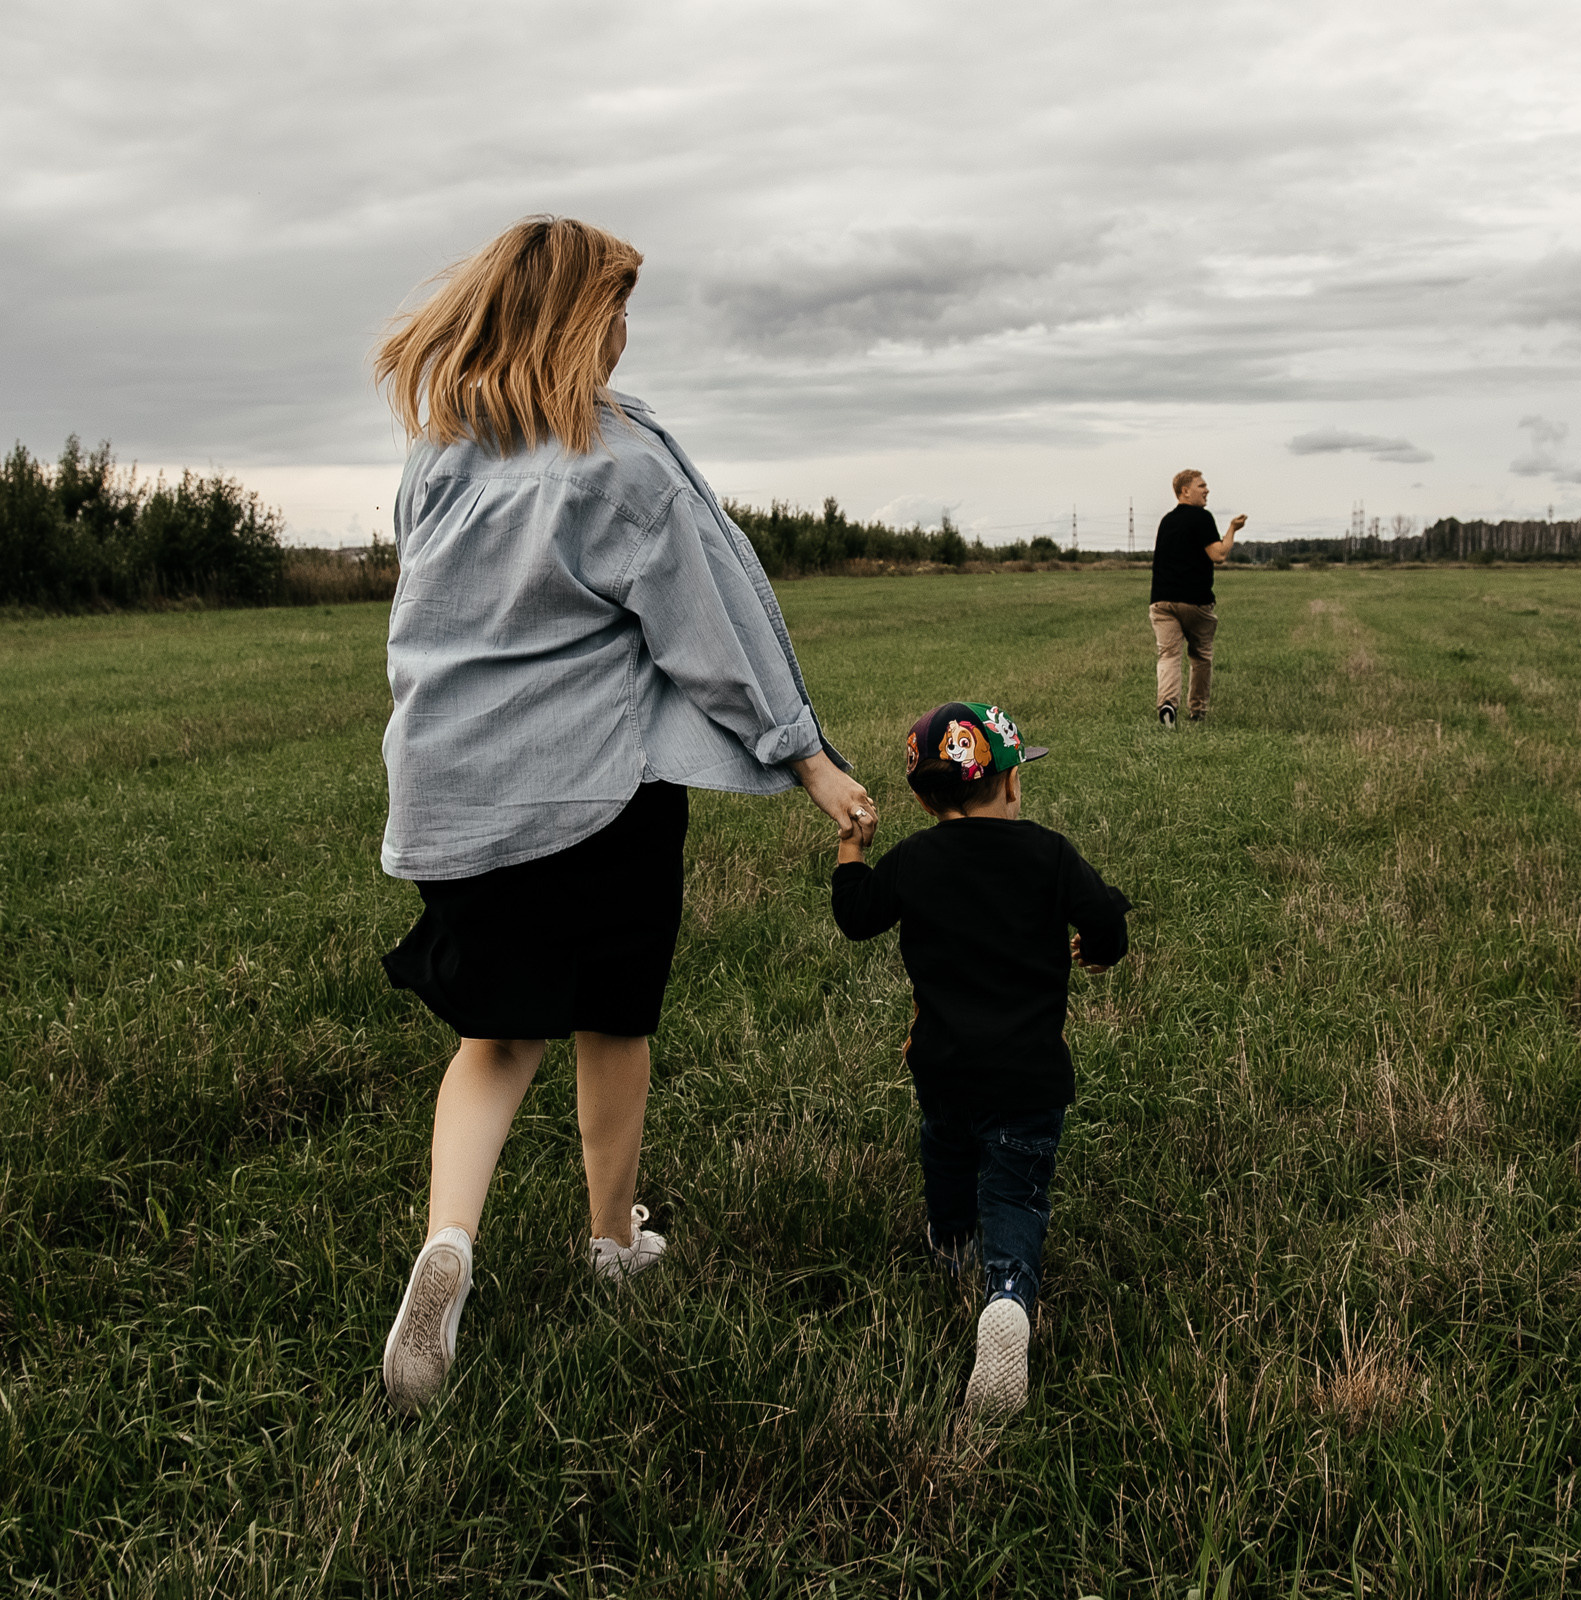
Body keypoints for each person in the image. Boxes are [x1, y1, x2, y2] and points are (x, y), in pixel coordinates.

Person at [370, 216, 878, 1413]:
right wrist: (803, 757)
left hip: (458, 795)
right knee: (612, 1020)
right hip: (600, 799)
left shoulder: (439, 459)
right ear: (580, 322)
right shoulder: (622, 464)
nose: (625, 335)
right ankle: (612, 1245)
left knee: (493, 1042)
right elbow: (713, 635)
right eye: (618, 311)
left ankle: (448, 1245)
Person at [830, 701, 1131, 1418]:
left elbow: (857, 915)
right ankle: (1007, 1295)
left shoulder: (913, 860)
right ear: (1011, 782)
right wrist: (1097, 946)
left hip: (942, 1067)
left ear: (923, 797)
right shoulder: (1049, 854)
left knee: (948, 1154)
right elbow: (1107, 922)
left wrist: (852, 850)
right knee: (1016, 1191)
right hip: (1028, 1077)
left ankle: (951, 1248)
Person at [1147, 469, 1247, 726]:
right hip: (1195, 602)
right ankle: (1197, 711)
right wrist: (1232, 529)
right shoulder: (1201, 517)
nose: (1207, 490)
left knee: (1168, 655)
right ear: (1185, 491)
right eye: (1201, 486)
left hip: (1161, 602)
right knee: (1200, 656)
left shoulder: (1166, 521)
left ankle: (1167, 704)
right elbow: (1219, 555)